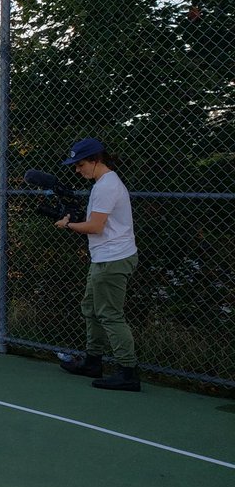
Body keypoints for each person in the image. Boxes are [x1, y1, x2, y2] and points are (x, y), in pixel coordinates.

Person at [55, 137, 140, 392]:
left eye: (80, 164)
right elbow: (97, 220)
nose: (77, 169)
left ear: (95, 160)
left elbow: (95, 226)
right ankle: (93, 362)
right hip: (103, 258)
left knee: (110, 315)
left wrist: (67, 225)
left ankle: (128, 372)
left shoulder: (106, 186)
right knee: (91, 308)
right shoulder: (102, 184)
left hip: (112, 260)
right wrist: (73, 218)